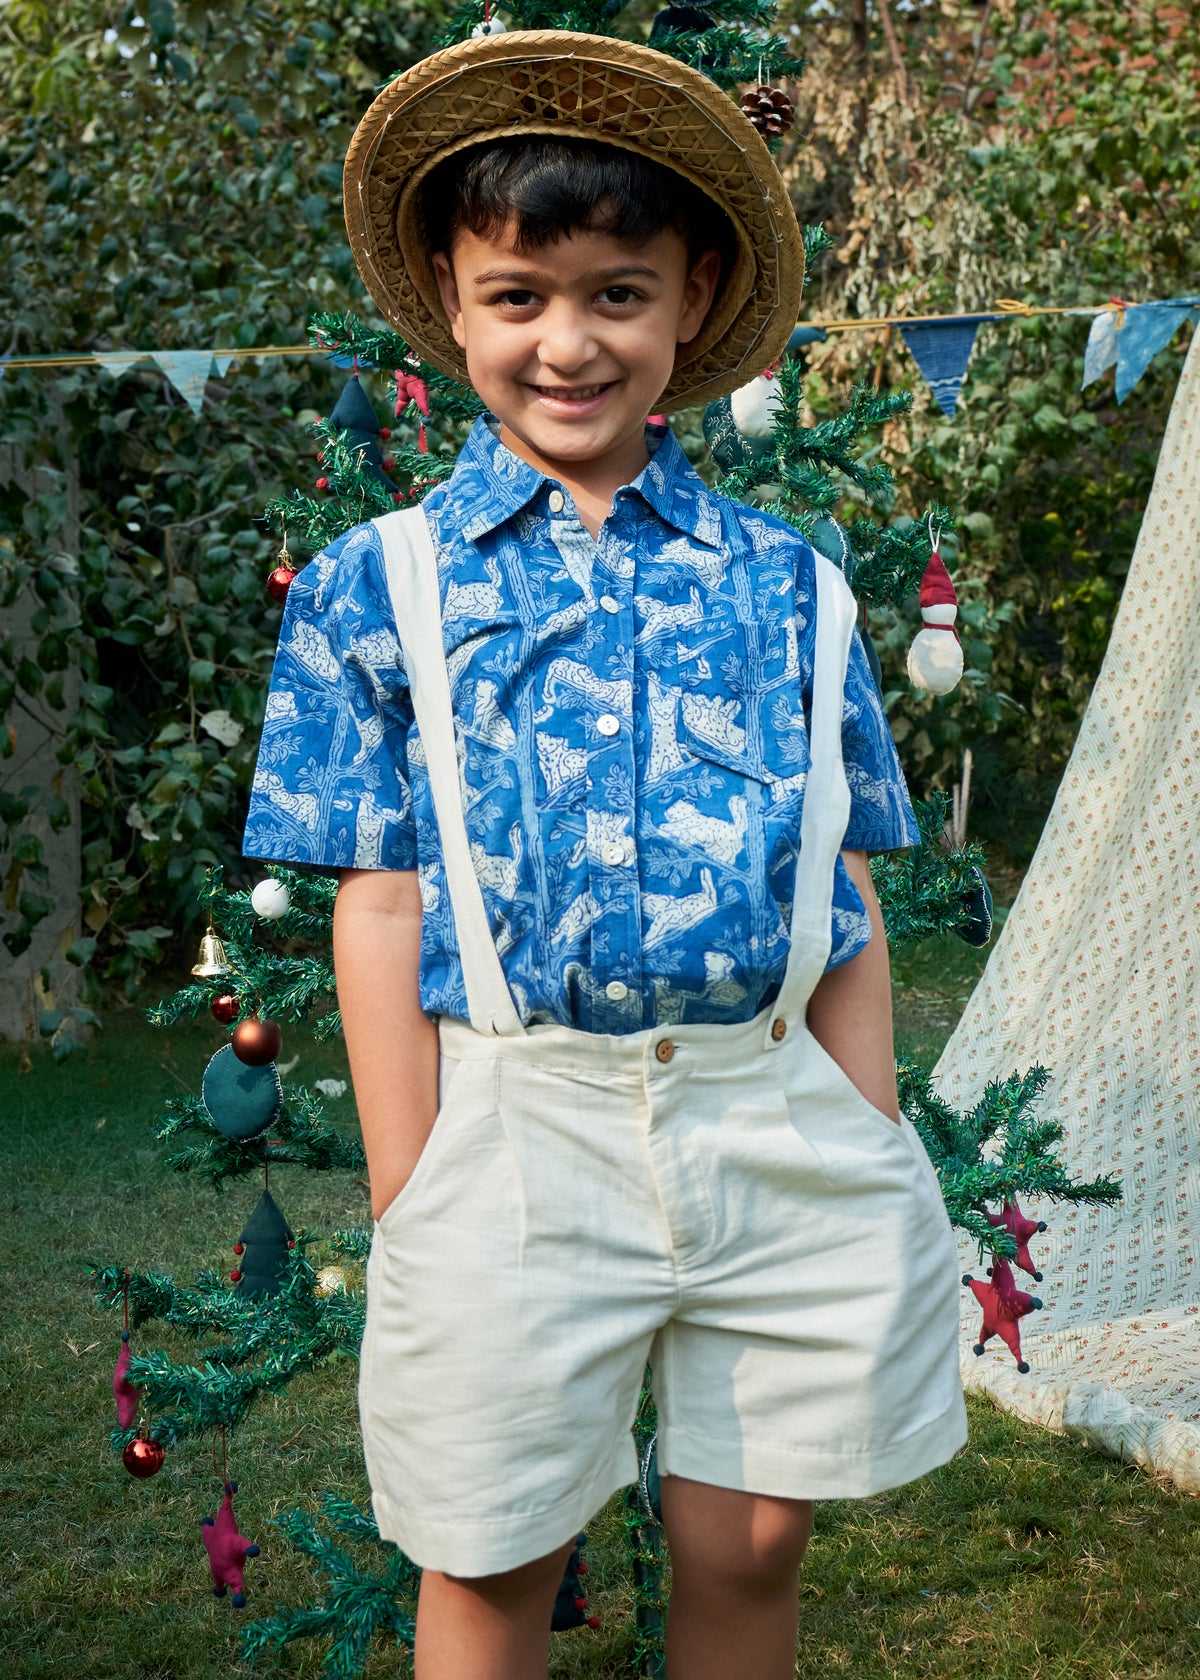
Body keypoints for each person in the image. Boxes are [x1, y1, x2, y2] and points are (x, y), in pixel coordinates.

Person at [244, 30, 967, 1680]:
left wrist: (868, 1128)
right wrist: (409, 1183)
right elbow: (378, 892)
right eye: (519, 296)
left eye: (618, 294)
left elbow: (837, 881)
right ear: (450, 293)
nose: (568, 343)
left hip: (771, 1111)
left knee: (754, 1531)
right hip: (516, 1124)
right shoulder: (383, 585)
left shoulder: (793, 579)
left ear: (694, 296)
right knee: (494, 1552)